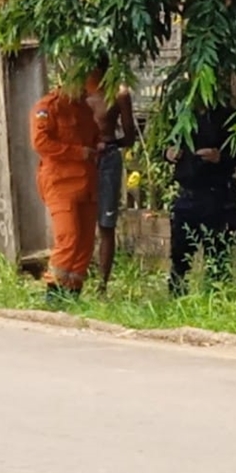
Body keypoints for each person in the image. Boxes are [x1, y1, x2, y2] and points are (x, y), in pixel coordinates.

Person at [163, 101, 236, 296]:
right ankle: (176, 299)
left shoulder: (227, 116)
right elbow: (165, 145)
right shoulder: (180, 112)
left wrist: (221, 157)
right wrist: (168, 154)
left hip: (217, 195)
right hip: (188, 194)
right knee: (180, 257)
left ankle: (217, 299)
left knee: (218, 256)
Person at [30, 72, 102, 301]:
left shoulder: (83, 109)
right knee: (68, 238)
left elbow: (93, 135)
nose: (85, 94)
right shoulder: (47, 108)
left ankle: (73, 291)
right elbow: (41, 143)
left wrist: (98, 144)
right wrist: (78, 152)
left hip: (86, 182)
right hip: (60, 183)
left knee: (85, 242)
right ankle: (53, 291)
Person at [84, 56, 136, 294]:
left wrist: (108, 143)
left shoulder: (118, 93)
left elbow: (129, 135)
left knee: (106, 223)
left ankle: (102, 285)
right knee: (77, 219)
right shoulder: (76, 91)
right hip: (82, 159)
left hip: (107, 159)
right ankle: (77, 276)